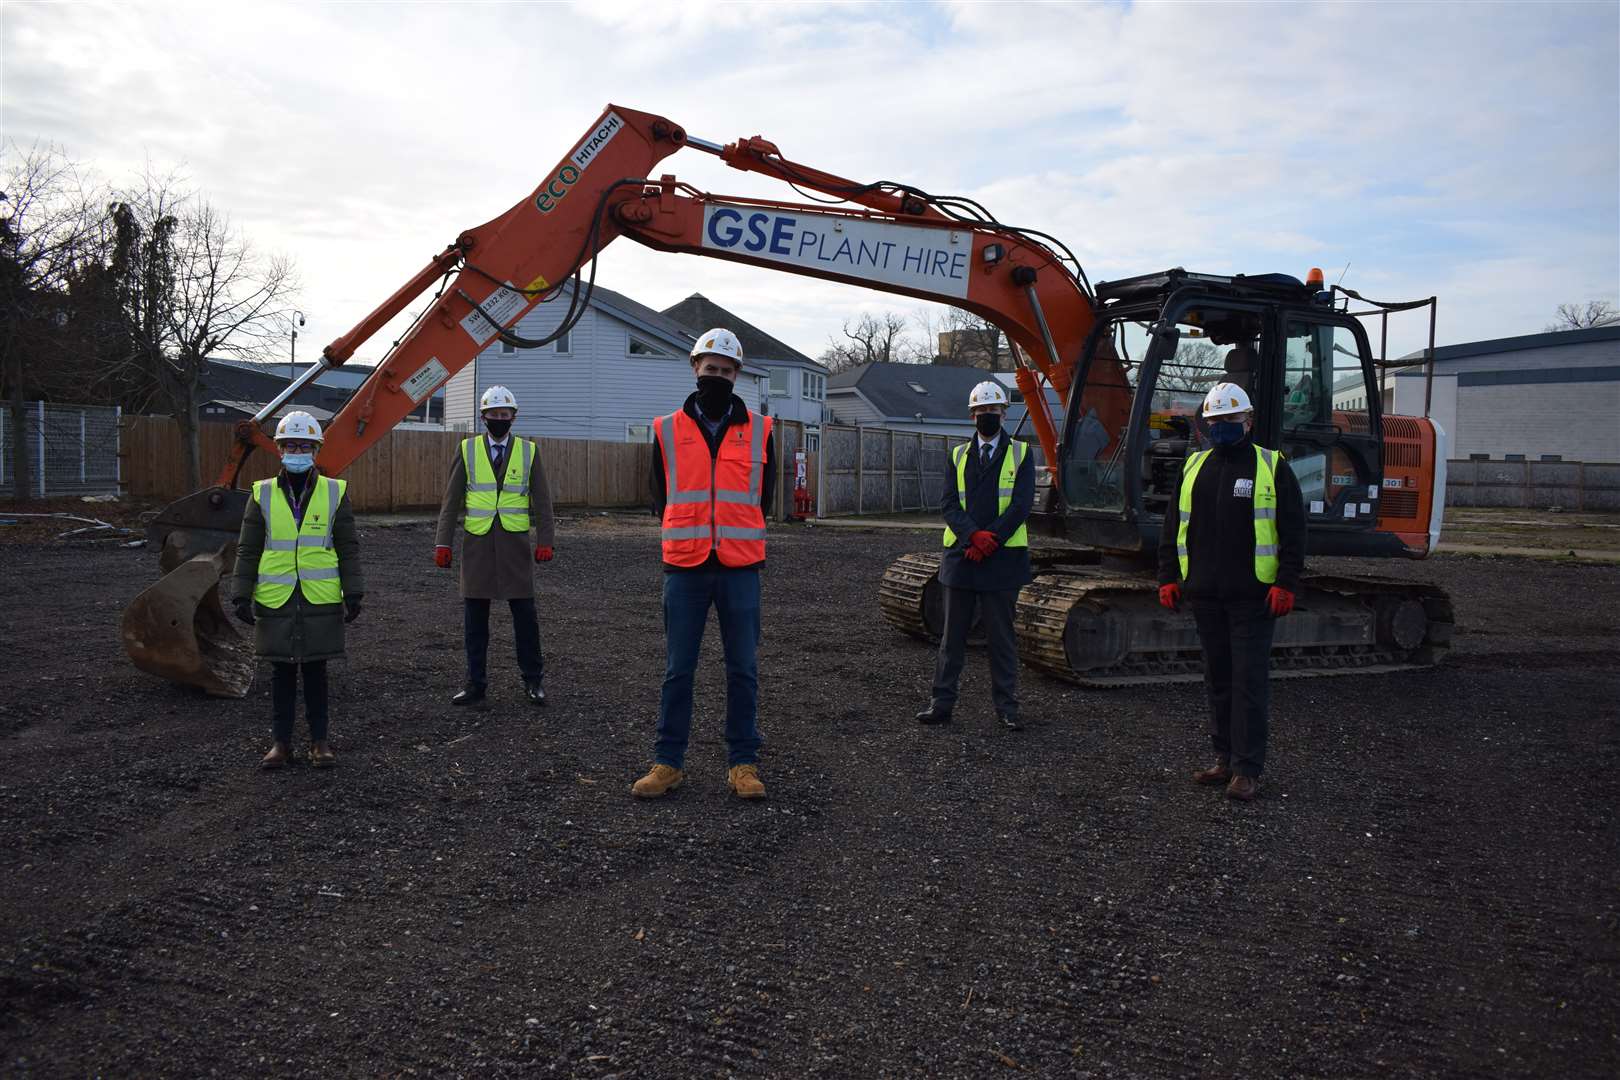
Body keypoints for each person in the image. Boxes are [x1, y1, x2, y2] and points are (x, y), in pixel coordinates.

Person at [632, 328, 776, 800]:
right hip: (686, 567)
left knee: (743, 670)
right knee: (678, 670)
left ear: (738, 375)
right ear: (695, 368)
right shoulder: (666, 429)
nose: (717, 376)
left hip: (739, 567)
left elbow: (765, 498)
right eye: (710, 368)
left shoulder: (761, 430)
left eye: (726, 371)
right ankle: (668, 763)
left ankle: (743, 764)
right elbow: (660, 493)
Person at [1157, 382, 1306, 801]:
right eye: (1215, 420)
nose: (1222, 426)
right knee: (1218, 678)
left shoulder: (1271, 466)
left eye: (1230, 419)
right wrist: (1168, 575)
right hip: (1205, 593)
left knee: (1248, 682)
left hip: (1252, 597)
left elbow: (1294, 530)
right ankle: (1223, 759)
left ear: (1248, 421)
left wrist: (1285, 582)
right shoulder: (1193, 467)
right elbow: (1174, 527)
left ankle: (1247, 769)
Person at [231, 411, 364, 769]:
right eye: (291, 444)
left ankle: (320, 743)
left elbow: (347, 547)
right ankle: (281, 744)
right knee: (282, 673)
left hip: (319, 597)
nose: (298, 451)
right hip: (277, 598)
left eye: (305, 445)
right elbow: (248, 548)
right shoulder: (261, 494)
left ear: (316, 450)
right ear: (279, 449)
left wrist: (353, 591)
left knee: (317, 672)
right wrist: (241, 592)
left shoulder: (335, 492)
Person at [915, 380, 1036, 731]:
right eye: (981, 411)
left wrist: (989, 540)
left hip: (1002, 560)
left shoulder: (1022, 454)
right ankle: (941, 704)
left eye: (993, 410)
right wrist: (973, 536)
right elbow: (949, 504)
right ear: (972, 415)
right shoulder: (957, 455)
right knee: (951, 639)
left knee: (1001, 639)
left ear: (1004, 412)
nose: (987, 415)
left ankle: (1007, 708)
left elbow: (1021, 505)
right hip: (962, 557)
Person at [434, 385, 556, 708]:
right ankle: (475, 684)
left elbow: (542, 501)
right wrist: (442, 542)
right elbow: (451, 500)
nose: (499, 419)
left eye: (504, 414)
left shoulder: (529, 452)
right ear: (483, 417)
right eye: (493, 414)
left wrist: (546, 540)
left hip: (515, 547)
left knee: (526, 618)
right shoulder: (466, 449)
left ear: (513, 417)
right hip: (477, 546)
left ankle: (533, 681)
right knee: (475, 621)